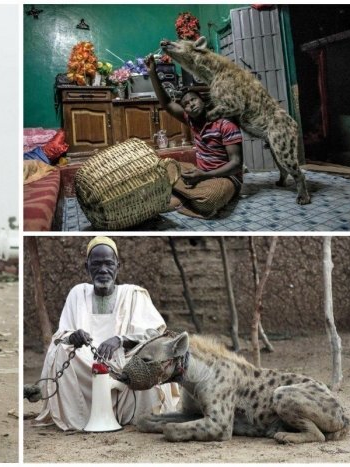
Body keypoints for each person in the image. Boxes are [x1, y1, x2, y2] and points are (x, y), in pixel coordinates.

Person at [33, 236, 178, 431]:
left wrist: (120, 340)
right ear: (87, 267)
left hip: (124, 360)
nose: (103, 270)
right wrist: (73, 337)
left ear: (118, 266)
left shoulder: (133, 293)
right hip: (85, 361)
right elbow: (62, 334)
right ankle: (81, 416)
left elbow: (157, 334)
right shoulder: (78, 293)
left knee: (149, 360)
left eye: (109, 264)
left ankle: (132, 415)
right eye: (97, 264)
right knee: (59, 353)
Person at [147, 55, 244, 218]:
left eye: (193, 100)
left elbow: (236, 164)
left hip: (226, 178)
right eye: (186, 104)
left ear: (204, 102)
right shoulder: (190, 120)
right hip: (201, 173)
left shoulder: (225, 124)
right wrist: (152, 73)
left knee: (208, 199)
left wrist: (204, 176)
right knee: (164, 166)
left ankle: (179, 197)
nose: (190, 104)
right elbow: (167, 104)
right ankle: (188, 196)